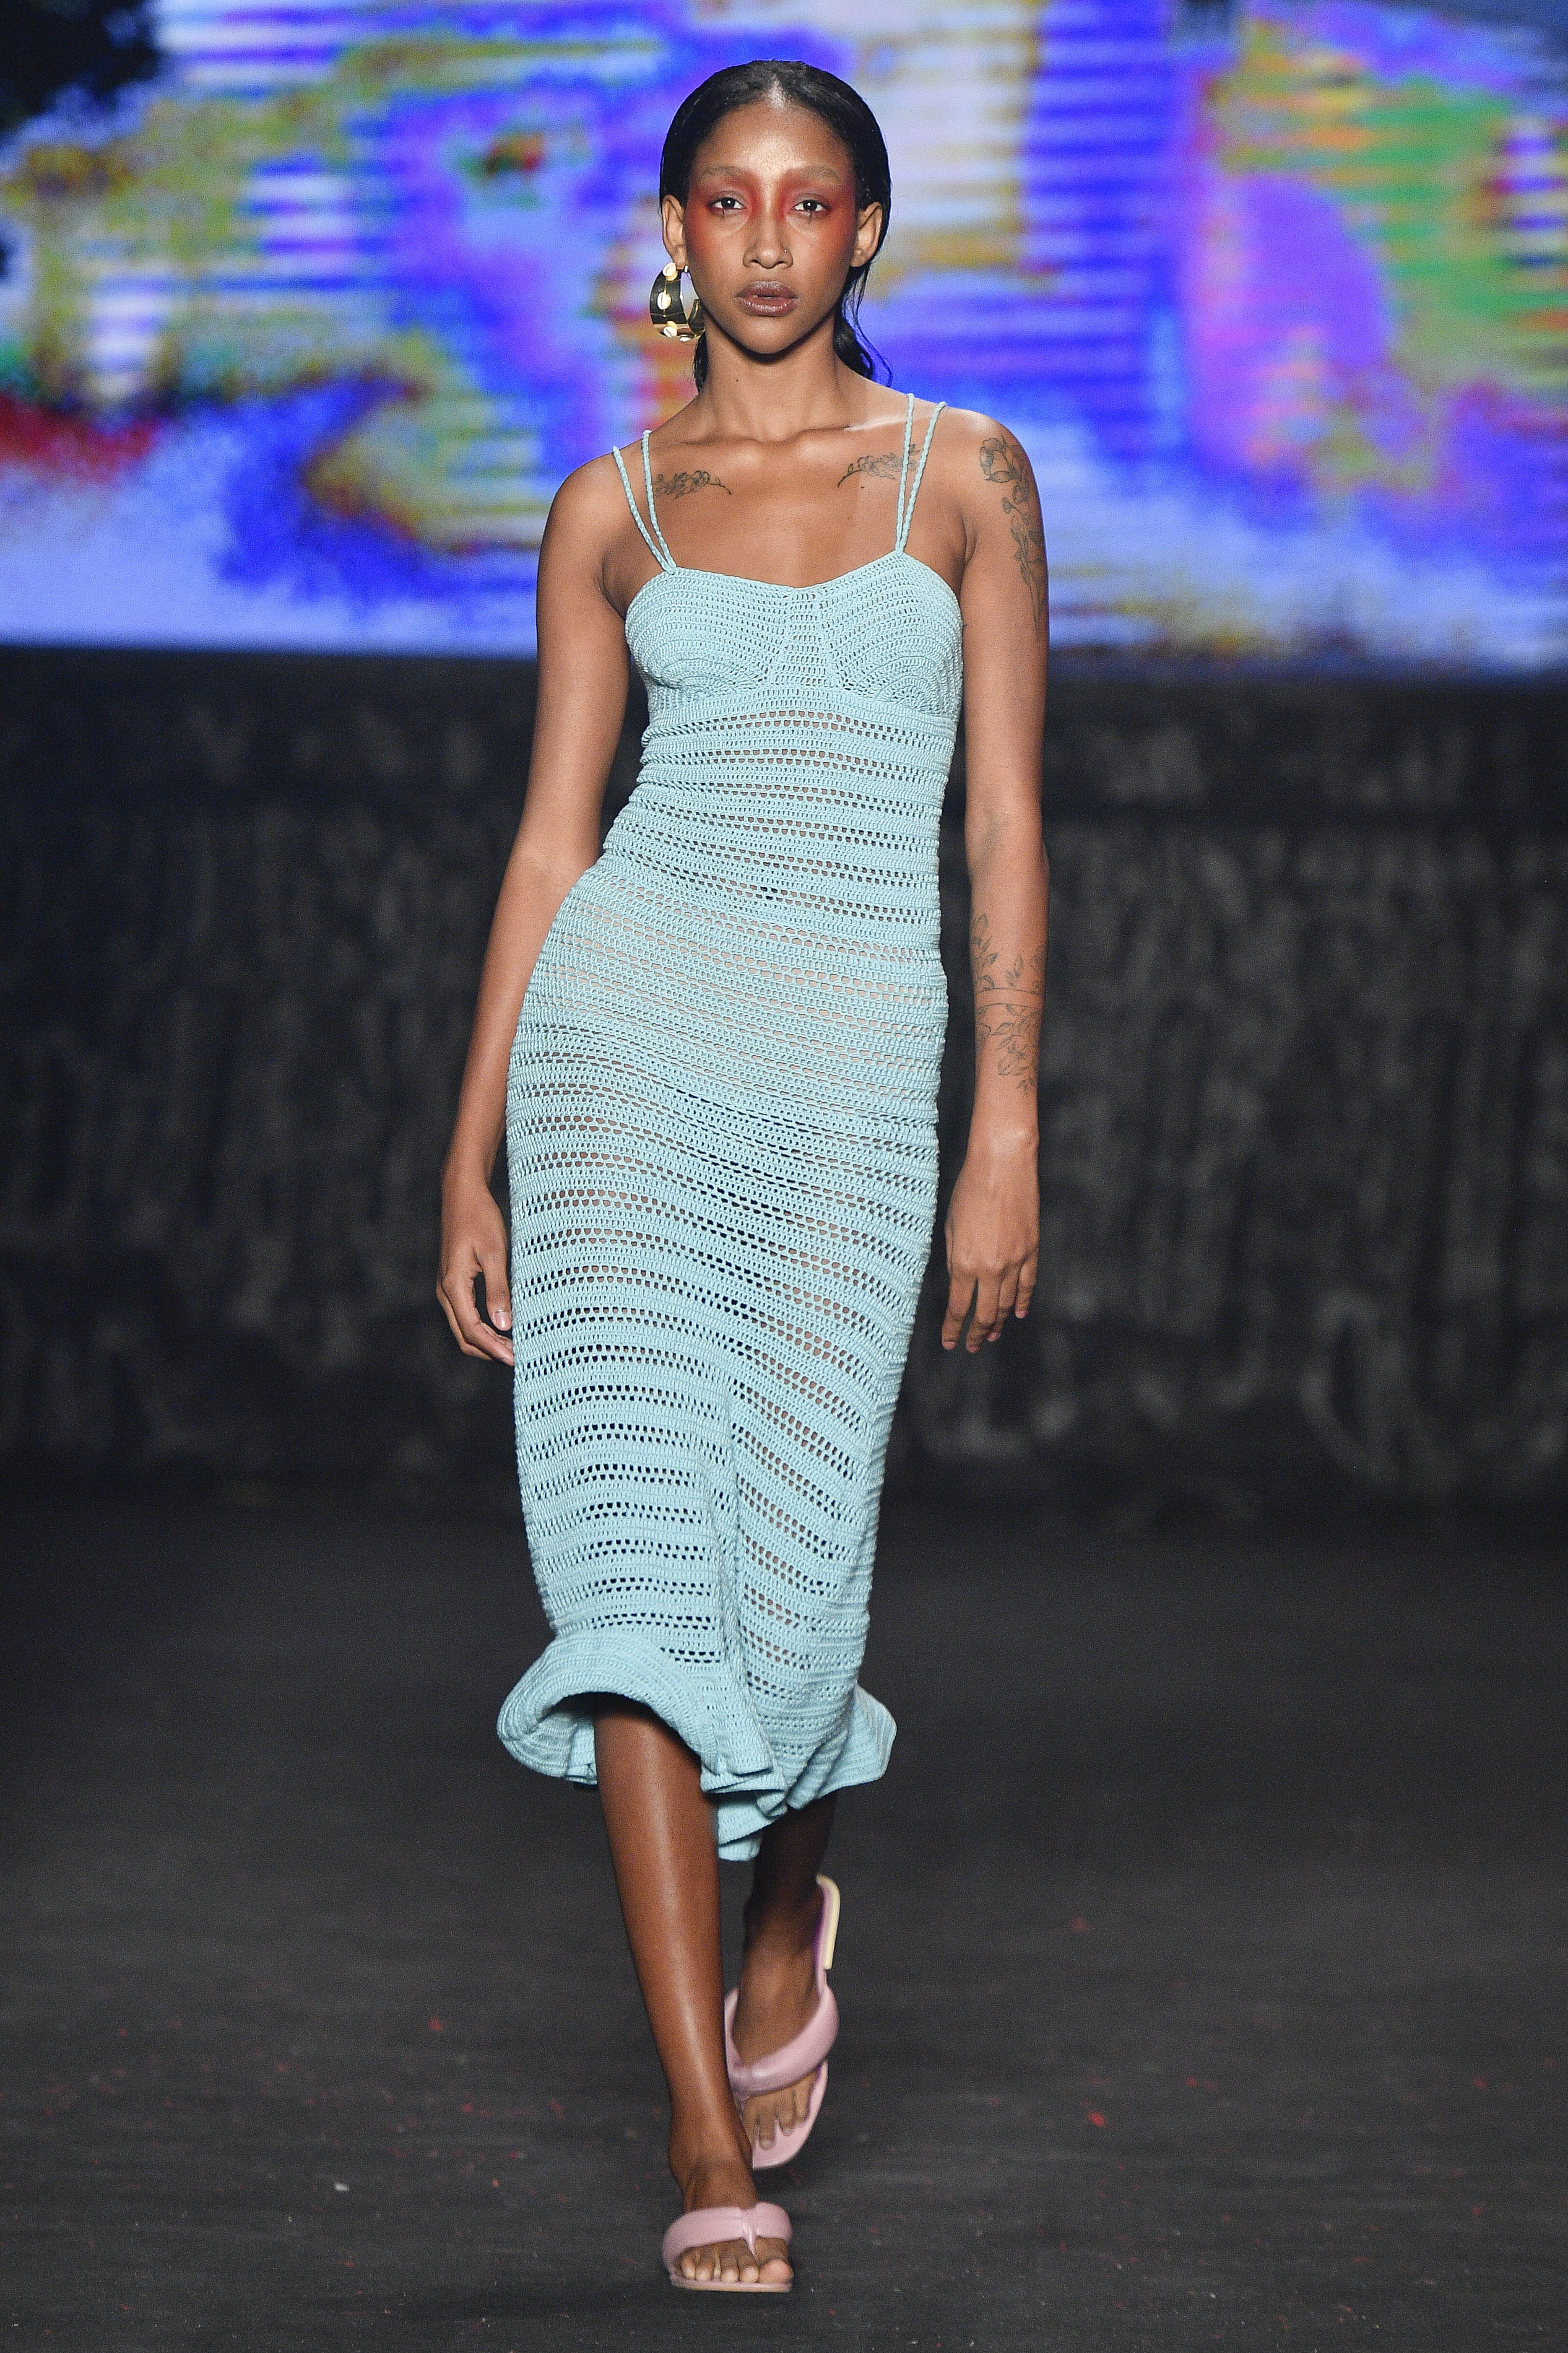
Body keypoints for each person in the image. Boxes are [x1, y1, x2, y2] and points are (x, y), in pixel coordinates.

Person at [437, 56, 1048, 2292]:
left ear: (865, 233)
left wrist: (1006, 1123)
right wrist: (469, 1143)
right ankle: (706, 2134)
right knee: (627, 1581)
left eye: (810, 202)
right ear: (673, 235)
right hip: (622, 1060)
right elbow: (546, 838)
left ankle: (789, 1907)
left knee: (790, 1597)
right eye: (728, 200)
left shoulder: (964, 476)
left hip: (853, 1078)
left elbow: (1003, 824)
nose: (769, 239)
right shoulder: (616, 504)